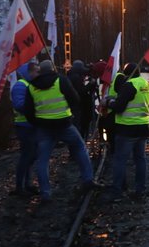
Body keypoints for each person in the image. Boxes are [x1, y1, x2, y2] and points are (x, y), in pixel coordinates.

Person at [22, 60, 101, 202]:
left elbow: (28, 111)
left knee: (43, 160)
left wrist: (38, 122)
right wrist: (70, 114)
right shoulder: (60, 81)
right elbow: (75, 99)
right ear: (53, 68)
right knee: (80, 147)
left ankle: (45, 192)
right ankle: (88, 180)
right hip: (64, 124)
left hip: (44, 128)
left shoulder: (31, 87)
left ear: (40, 71)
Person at [104, 62, 149, 201]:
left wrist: (108, 103)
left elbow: (119, 107)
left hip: (127, 129)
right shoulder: (147, 85)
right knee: (140, 159)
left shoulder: (128, 85)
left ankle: (117, 191)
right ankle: (140, 189)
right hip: (143, 127)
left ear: (127, 74)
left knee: (120, 160)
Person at [9, 60, 39, 197]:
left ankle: (28, 184)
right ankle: (20, 186)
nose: (37, 74)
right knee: (26, 157)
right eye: (35, 71)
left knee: (31, 156)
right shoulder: (21, 86)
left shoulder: (28, 85)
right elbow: (19, 105)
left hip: (30, 126)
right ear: (29, 72)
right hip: (24, 126)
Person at [67, 60, 95, 139]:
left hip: (73, 104)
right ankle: (79, 139)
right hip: (78, 105)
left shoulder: (70, 75)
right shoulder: (76, 77)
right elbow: (81, 91)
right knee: (78, 124)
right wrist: (91, 84)